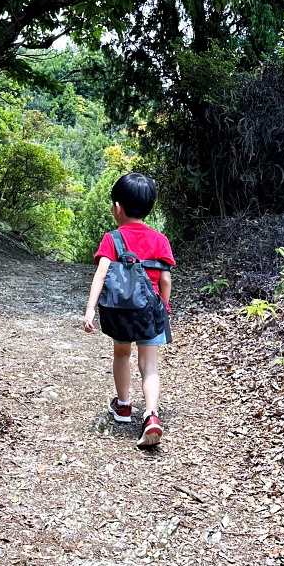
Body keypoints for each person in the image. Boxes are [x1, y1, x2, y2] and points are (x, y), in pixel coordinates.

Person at [82, 173, 175, 448]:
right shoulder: (160, 240)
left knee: (122, 355)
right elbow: (166, 280)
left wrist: (90, 310)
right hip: (150, 312)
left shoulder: (112, 239)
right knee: (150, 366)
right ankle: (151, 415)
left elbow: (101, 274)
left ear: (118, 207)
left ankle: (123, 406)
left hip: (120, 311)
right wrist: (164, 307)